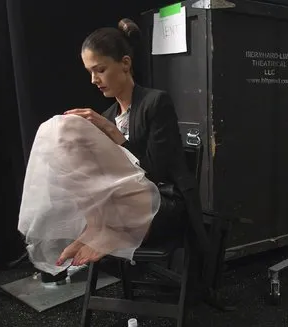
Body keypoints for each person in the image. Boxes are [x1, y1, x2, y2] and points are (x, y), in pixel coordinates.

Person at [19, 18, 207, 273]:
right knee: (63, 129)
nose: (94, 80)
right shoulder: (108, 114)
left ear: (125, 64)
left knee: (72, 129)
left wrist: (111, 131)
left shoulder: (155, 103)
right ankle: (99, 225)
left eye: (100, 69)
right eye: (90, 72)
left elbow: (156, 172)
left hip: (163, 203)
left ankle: (106, 228)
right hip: (122, 207)